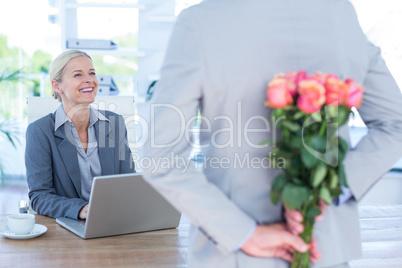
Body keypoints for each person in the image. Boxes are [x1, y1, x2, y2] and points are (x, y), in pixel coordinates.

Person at [142, 0, 402, 267]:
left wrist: (245, 234)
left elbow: (161, 157)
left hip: (236, 256)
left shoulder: (201, 22)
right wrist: (328, 191)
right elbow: (396, 124)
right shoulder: (340, 13)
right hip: (323, 250)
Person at [25, 50, 135, 219]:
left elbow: (128, 182)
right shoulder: (40, 132)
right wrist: (81, 209)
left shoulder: (114, 123)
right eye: (78, 75)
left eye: (92, 73)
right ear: (57, 86)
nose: (89, 80)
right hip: (67, 228)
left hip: (113, 222)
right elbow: (39, 197)